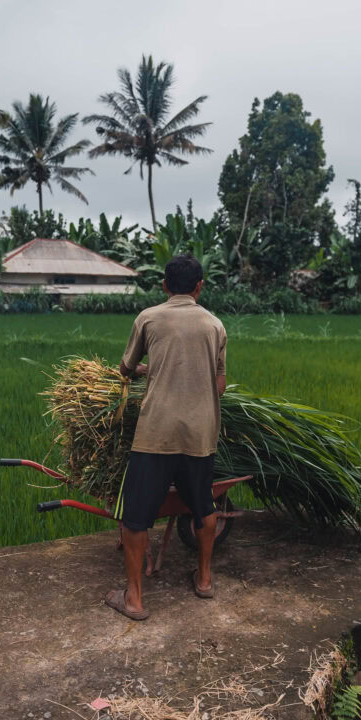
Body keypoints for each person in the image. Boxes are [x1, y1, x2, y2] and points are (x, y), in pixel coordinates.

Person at [104, 253, 227, 621]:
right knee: (204, 506)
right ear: (199, 286)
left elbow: (125, 368)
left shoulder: (149, 318)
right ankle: (204, 580)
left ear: (164, 286)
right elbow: (219, 386)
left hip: (156, 433)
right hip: (200, 434)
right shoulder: (215, 325)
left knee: (136, 517)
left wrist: (147, 369)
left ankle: (135, 600)